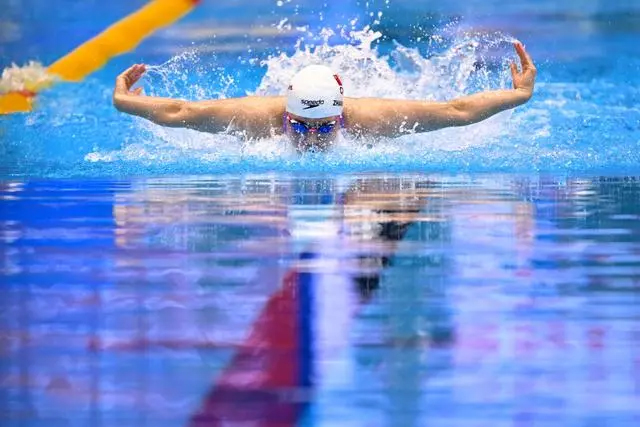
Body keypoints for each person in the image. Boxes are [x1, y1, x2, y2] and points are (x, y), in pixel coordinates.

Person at [113, 42, 536, 152]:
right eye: (299, 125)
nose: (312, 138)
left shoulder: (370, 120)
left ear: (341, 116)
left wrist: (518, 95)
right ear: (284, 114)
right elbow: (181, 111)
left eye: (323, 127)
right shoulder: (255, 118)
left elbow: (455, 111)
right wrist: (124, 101)